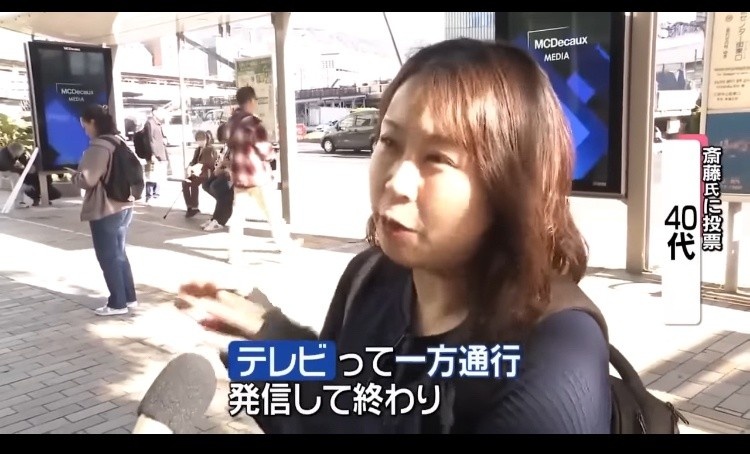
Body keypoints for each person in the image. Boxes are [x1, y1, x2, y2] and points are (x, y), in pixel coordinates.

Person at [177, 38, 611, 433]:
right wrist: (268, 342)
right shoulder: (369, 277)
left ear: (510, 186)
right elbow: (338, 399)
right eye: (389, 141)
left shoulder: (557, 351)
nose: (397, 182)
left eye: (438, 158)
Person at [70, 105, 137, 316]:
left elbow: (87, 180)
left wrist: (74, 176)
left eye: (84, 126)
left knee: (108, 256)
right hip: (124, 204)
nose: (85, 130)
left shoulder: (99, 146)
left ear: (92, 122)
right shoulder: (118, 141)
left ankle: (117, 303)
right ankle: (129, 297)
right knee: (119, 254)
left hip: (105, 208)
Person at [227, 114, 297, 263]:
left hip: (240, 180)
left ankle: (234, 254)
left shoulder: (233, 129)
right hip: (258, 179)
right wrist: (273, 152)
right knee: (272, 213)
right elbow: (266, 153)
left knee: (238, 218)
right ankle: (285, 245)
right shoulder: (254, 127)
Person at [0, 142, 61, 207]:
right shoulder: (3, 154)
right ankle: (29, 197)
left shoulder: (17, 151)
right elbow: (9, 167)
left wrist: (29, 167)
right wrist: (24, 171)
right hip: (2, 169)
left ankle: (19, 202)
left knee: (17, 180)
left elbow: (24, 160)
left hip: (10, 170)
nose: (16, 156)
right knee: (15, 176)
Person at [182, 130, 217, 218]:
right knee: (185, 182)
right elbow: (193, 161)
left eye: (202, 139)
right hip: (197, 173)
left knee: (194, 183)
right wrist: (189, 167)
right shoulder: (198, 150)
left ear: (206, 139)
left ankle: (194, 207)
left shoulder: (209, 149)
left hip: (207, 173)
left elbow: (207, 163)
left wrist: (194, 169)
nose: (200, 142)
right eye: (198, 140)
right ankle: (190, 206)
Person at [142, 107, 169, 204]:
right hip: (153, 153)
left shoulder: (159, 123)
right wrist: (152, 154)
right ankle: (149, 195)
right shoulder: (149, 123)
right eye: (160, 112)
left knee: (159, 174)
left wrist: (165, 139)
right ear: (154, 112)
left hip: (161, 152)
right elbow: (148, 140)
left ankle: (156, 194)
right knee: (151, 174)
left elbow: (161, 136)